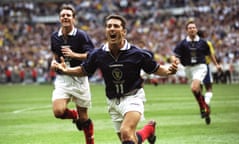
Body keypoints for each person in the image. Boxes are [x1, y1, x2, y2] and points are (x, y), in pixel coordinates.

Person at [52, 14, 179, 144]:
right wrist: (67, 70)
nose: (112, 28)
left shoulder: (137, 53)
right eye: (109, 26)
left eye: (116, 26)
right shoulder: (98, 54)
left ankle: (147, 129)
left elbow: (156, 68)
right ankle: (149, 129)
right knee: (130, 139)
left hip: (133, 98)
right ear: (106, 31)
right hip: (112, 102)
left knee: (126, 132)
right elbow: (84, 70)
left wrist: (169, 70)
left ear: (124, 32)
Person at [50, 4, 94, 144]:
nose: (65, 17)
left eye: (68, 15)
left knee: (84, 119)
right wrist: (54, 63)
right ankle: (74, 115)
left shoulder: (81, 35)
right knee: (58, 112)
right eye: (63, 15)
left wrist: (74, 54)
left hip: (79, 78)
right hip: (63, 79)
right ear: (59, 18)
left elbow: (91, 55)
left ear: (74, 18)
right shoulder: (54, 36)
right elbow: (55, 54)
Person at [171, 20, 221, 125]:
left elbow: (210, 54)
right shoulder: (182, 43)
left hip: (200, 66)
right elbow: (175, 55)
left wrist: (216, 64)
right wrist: (176, 60)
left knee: (194, 87)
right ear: (186, 31)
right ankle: (205, 108)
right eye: (190, 28)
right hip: (188, 68)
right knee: (196, 90)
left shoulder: (203, 42)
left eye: (193, 27)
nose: (192, 29)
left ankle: (203, 107)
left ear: (196, 29)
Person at [197, 30, 217, 105]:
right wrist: (216, 64)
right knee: (209, 87)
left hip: (195, 67)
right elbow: (211, 55)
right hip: (205, 66)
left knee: (198, 88)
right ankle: (206, 102)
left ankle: (202, 104)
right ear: (203, 35)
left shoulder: (192, 44)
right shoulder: (207, 43)